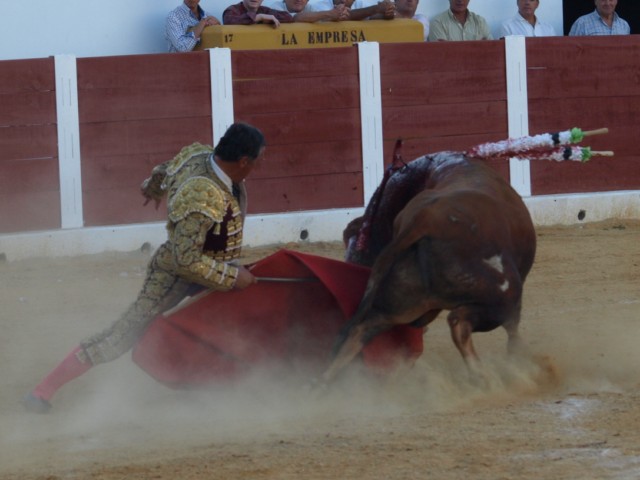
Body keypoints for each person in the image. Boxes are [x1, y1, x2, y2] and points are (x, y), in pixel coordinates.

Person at [22, 123, 266, 413]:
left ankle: (223, 383)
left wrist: (150, 189)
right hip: (176, 274)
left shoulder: (200, 156)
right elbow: (185, 260)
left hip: (215, 263)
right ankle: (42, 392)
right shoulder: (203, 194)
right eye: (258, 160)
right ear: (243, 162)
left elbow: (166, 170)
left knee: (241, 311)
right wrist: (231, 276)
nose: (259, 166)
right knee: (124, 333)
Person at [427, 0, 493, 41]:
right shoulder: (438, 23)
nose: (460, 0)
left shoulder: (480, 22)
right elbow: (443, 55)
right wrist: (477, 47)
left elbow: (492, 49)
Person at [264, 0, 351, 22]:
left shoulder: (309, 8)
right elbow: (295, 18)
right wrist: (331, 14)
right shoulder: (275, 7)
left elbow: (326, 17)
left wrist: (340, 13)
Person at [306, 0, 395, 22]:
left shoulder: (362, 3)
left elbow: (374, 17)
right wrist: (375, 9)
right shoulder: (317, 5)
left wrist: (388, 13)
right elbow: (343, 15)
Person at [223, 0, 294, 27]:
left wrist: (263, 18)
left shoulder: (264, 10)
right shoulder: (232, 10)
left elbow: (288, 17)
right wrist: (259, 17)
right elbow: (229, 20)